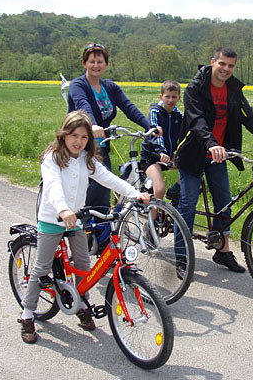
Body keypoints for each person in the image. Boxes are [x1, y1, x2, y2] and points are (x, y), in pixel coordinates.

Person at [18, 110, 150, 344]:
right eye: (74, 136)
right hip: (53, 218)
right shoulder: (53, 158)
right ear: (63, 136)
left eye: (84, 137)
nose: (78, 142)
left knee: (83, 263)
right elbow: (52, 186)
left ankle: (81, 304)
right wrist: (62, 209)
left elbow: (108, 178)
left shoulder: (87, 160)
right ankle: (27, 314)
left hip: (76, 218)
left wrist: (135, 194)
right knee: (41, 267)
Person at [175, 47, 253, 273]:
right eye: (222, 64)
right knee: (188, 205)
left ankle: (222, 252)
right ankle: (182, 256)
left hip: (219, 155)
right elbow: (197, 121)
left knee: (225, 202)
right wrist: (211, 143)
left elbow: (248, 117)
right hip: (194, 153)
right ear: (213, 62)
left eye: (231, 66)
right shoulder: (196, 88)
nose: (226, 69)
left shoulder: (233, 89)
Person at [67, 43, 160, 240]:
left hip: (100, 148)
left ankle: (100, 246)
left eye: (100, 61)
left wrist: (148, 126)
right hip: (78, 147)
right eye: (92, 61)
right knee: (86, 196)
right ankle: (81, 236)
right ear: (85, 63)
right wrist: (92, 124)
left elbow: (128, 106)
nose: (96, 65)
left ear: (106, 64)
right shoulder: (78, 85)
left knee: (102, 196)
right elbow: (83, 105)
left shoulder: (110, 87)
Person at [140, 80, 183, 204]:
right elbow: (156, 133)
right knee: (159, 190)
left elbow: (185, 132)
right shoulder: (155, 112)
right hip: (152, 156)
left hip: (168, 156)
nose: (170, 100)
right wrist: (161, 151)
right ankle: (152, 222)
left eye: (174, 97)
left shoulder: (177, 115)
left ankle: (176, 190)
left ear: (179, 98)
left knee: (194, 165)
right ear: (161, 97)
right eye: (167, 96)